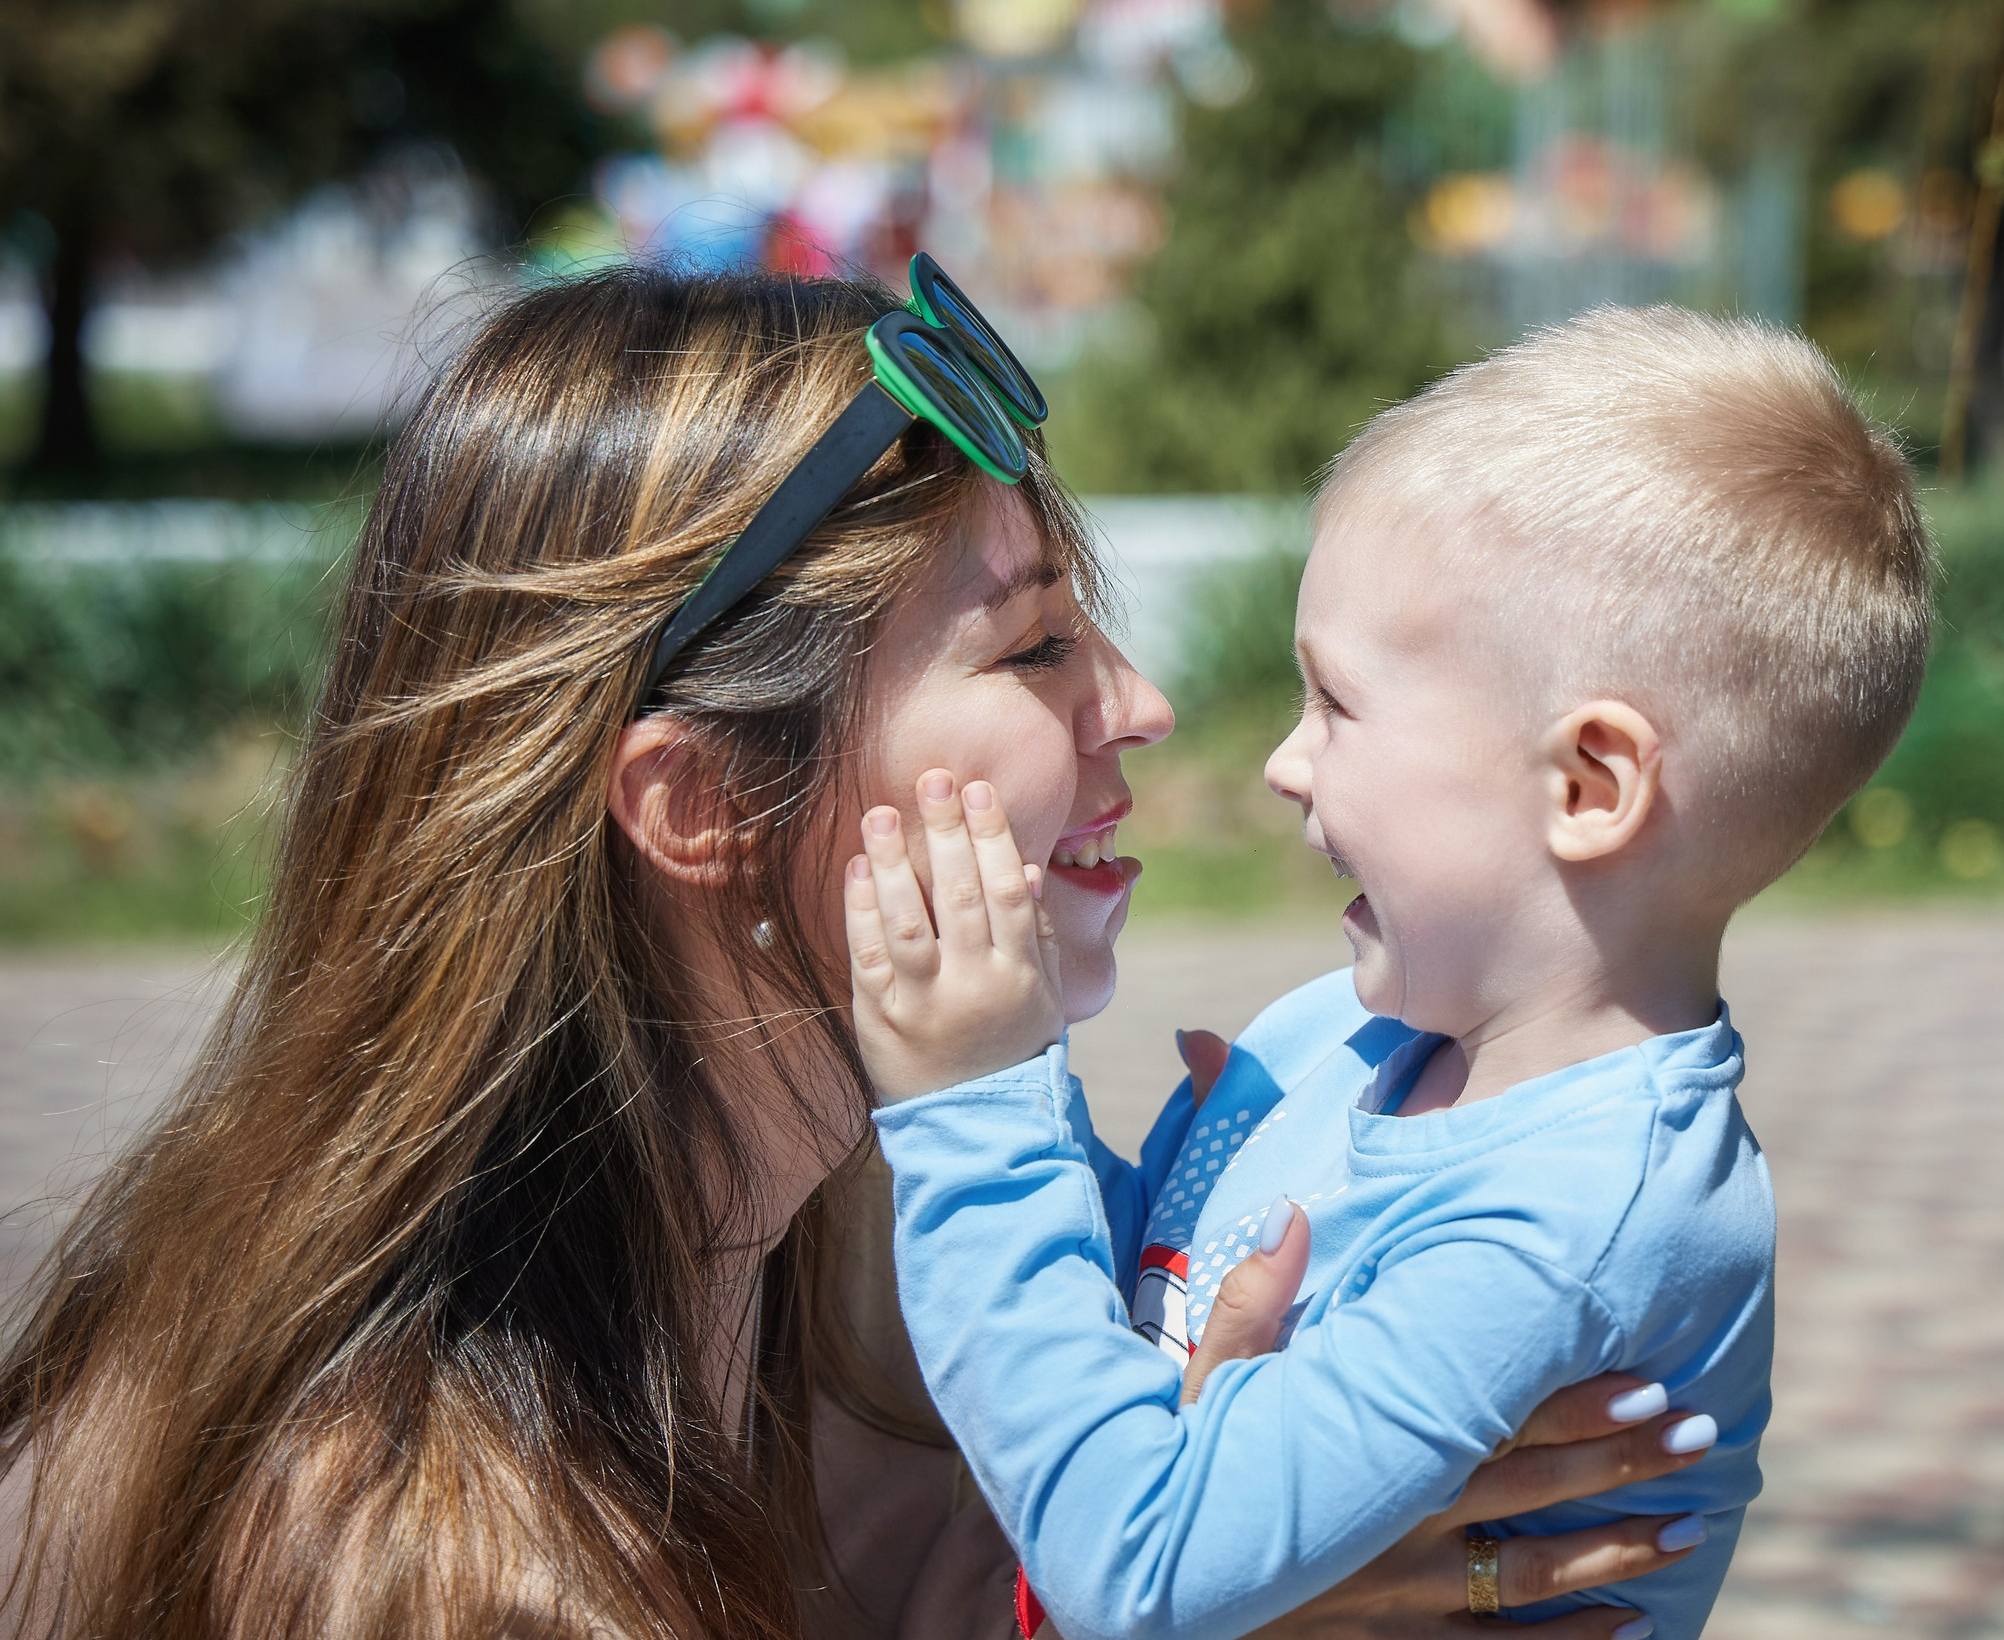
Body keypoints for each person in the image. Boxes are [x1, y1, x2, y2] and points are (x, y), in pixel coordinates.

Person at [0, 266, 1702, 1639]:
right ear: (703, 801)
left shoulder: (871, 1271)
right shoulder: (416, 1550)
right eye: (1034, 644)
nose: (1143, 704)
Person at [844, 307, 1937, 1640]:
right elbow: (1135, 1300)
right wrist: (1041, 1116)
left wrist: (982, 1107)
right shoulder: (1355, 1033)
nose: (1284, 763)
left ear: (1588, 783)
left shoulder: (1578, 1217)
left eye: (1335, 705)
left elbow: (1138, 1572)